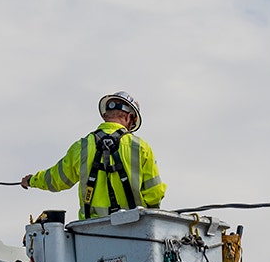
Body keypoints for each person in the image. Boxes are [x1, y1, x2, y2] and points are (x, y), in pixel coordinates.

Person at [20, 91, 166, 220]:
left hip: (92, 233)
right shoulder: (141, 147)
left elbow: (56, 179)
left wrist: (32, 180)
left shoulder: (82, 147)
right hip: (134, 230)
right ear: (129, 117)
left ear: (104, 116)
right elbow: (155, 193)